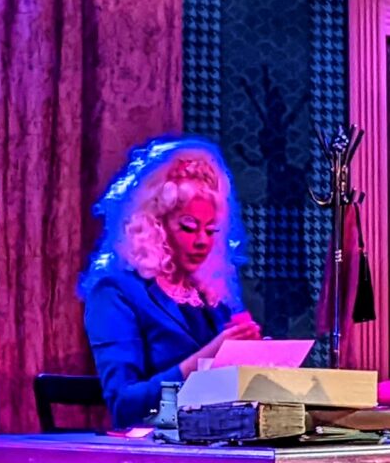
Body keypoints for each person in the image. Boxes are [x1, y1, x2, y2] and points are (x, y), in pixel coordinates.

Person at [77, 138, 262, 428]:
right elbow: (124, 407)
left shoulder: (209, 296)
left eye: (211, 230)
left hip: (214, 440)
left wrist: (255, 358)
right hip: (153, 446)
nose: (202, 241)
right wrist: (208, 358)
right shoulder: (116, 293)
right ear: (156, 225)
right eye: (188, 227)